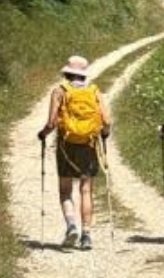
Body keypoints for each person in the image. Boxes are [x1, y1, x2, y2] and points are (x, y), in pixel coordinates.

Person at [38, 55, 111, 250]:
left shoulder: (60, 91)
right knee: (86, 189)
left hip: (66, 144)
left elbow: (52, 123)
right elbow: (107, 121)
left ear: (67, 73)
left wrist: (42, 134)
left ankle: (71, 226)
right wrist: (104, 135)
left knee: (65, 189)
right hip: (88, 144)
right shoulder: (94, 91)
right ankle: (86, 235)